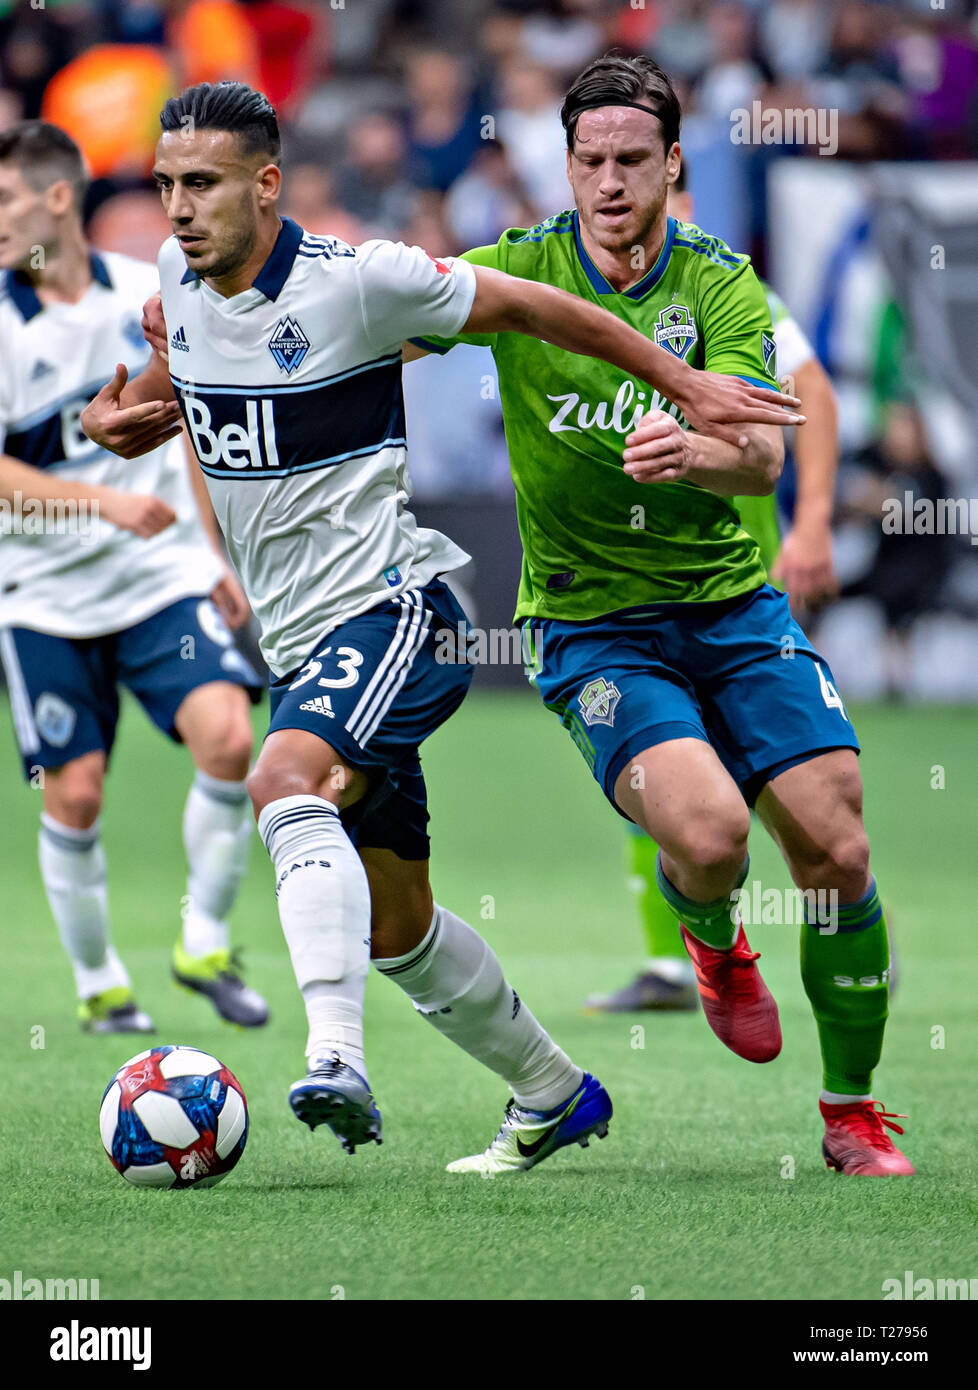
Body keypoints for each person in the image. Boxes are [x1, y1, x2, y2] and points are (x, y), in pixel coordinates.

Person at [84, 80, 796, 1170]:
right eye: (167, 183)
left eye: (205, 184)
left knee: (283, 781)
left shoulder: (363, 282)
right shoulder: (178, 284)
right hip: (305, 649)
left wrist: (676, 379)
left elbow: (531, 305)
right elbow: (172, 386)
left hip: (401, 612)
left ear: (267, 186)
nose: (179, 208)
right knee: (396, 930)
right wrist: (118, 413)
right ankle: (554, 1092)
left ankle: (335, 1060)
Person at [406, 54, 912, 1177]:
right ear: (568, 167)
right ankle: (715, 933)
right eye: (591, 161)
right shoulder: (520, 271)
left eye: (634, 160)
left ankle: (852, 1111)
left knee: (836, 842)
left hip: (733, 606)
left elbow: (762, 451)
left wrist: (699, 454)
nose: (611, 182)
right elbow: (382, 318)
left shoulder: (720, 282)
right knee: (712, 833)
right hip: (596, 628)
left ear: (674, 163)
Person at [0, 121, 268, 1035]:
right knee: (74, 793)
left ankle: (204, 939)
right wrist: (99, 505)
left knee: (231, 739)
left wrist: (213, 553)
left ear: (58, 199)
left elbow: (187, 421)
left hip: (159, 576)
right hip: (41, 595)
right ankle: (99, 981)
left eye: (5, 202)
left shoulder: (142, 290)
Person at [586, 160, 841, 1015]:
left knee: (791, 795)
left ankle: (830, 914)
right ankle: (683, 958)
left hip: (737, 576)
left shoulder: (732, 286)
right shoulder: (584, 297)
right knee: (668, 786)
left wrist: (808, 528)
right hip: (626, 596)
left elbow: (815, 398)